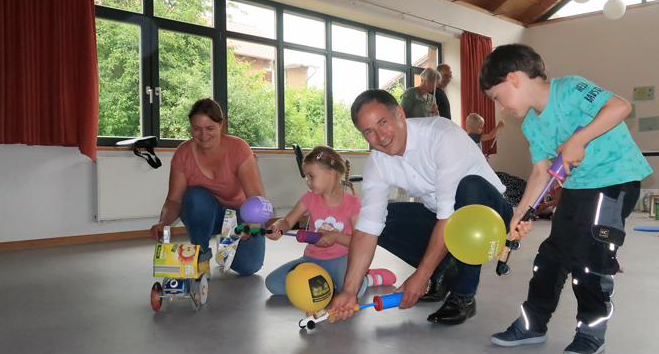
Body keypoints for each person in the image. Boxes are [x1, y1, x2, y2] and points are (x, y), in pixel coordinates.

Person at [479, 44, 652, 354]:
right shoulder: (532, 124)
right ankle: (533, 324)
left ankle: (591, 331)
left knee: (591, 258)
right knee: (551, 255)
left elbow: (619, 107)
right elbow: (540, 170)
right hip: (579, 186)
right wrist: (520, 212)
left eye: (496, 97)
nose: (499, 107)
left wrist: (577, 139)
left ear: (514, 79)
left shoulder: (571, 88)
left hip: (616, 180)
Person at [326, 89, 532, 326]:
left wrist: (420, 276)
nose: (380, 136)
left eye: (383, 122)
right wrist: (349, 290)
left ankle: (463, 295)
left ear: (400, 114)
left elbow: (449, 215)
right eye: (368, 131)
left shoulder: (441, 135)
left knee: (469, 187)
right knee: (385, 220)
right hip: (444, 219)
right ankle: (443, 273)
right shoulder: (378, 162)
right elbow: (367, 230)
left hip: (489, 214)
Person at [150, 98, 267, 276]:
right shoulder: (183, 153)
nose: (203, 135)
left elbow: (256, 198)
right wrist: (163, 222)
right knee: (195, 196)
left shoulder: (238, 148)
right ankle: (201, 256)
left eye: (209, 128)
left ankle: (226, 245)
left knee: (248, 267)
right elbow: (174, 200)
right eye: (196, 129)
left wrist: (250, 225)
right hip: (204, 216)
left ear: (221, 125)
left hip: (238, 218)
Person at [265, 145, 396, 296]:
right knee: (274, 283)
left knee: (355, 291)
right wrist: (277, 226)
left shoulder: (353, 203)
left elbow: (359, 241)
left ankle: (368, 278)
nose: (307, 182)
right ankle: (329, 284)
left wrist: (335, 236)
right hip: (311, 259)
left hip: (342, 259)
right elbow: (287, 222)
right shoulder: (309, 198)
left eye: (311, 176)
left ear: (331, 174)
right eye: (306, 177)